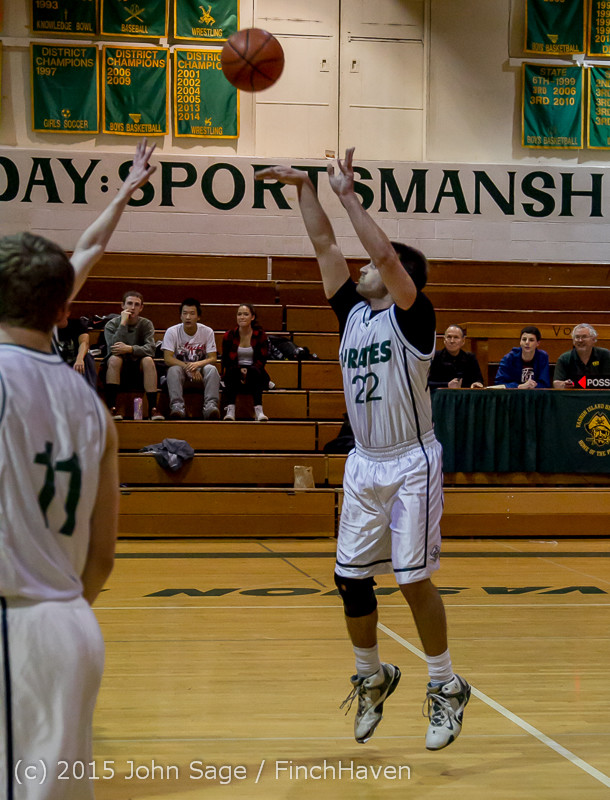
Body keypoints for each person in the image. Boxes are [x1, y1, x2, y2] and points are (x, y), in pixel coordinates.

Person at [256, 150, 470, 751]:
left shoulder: (415, 316)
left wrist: (350, 195)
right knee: (350, 579)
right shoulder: (353, 314)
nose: (366, 269)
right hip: (364, 461)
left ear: (403, 276)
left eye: (383, 264)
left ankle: (446, 684)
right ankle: (374, 676)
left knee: (412, 580)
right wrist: (305, 190)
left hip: (410, 459)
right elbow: (326, 247)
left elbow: (378, 254)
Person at [0, 234, 119, 800]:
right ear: (65, 310)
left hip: (12, 625)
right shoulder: (91, 404)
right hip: (71, 623)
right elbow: (102, 557)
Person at [103, 290, 164, 420]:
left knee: (148, 360)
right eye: (129, 303)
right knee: (114, 359)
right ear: (122, 305)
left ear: (141, 308)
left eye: (137, 304)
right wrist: (123, 324)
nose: (132, 307)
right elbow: (114, 348)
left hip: (138, 364)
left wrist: (130, 349)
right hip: (118, 365)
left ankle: (153, 409)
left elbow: (151, 350)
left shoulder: (146, 324)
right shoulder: (112, 324)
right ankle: (111, 408)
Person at [161, 297, 220, 419]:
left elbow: (213, 357)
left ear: (198, 317)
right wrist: (188, 367)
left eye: (192, 313)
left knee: (212, 369)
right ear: (180, 316)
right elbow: (168, 358)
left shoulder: (207, 331)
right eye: (185, 313)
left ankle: (210, 406)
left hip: (200, 372)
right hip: (181, 370)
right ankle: (177, 407)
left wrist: (197, 365)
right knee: (173, 370)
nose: (188, 317)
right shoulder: (172, 331)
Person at [221, 304, 270, 421]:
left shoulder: (260, 335)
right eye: (239, 314)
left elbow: (262, 359)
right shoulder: (229, 335)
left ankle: (259, 411)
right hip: (235, 371)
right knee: (232, 372)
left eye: (245, 314)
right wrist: (240, 369)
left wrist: (247, 370)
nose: (242, 317)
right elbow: (226, 360)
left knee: (254, 372)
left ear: (252, 317)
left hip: (255, 371)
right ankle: (231, 410)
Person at [553, 323, 610, 388]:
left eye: (584, 337)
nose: (580, 340)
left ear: (593, 339)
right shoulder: (564, 358)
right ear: (573, 341)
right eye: (577, 337)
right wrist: (564, 385)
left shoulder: (606, 355)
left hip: (600, 396)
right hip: (574, 396)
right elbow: (556, 383)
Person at [428, 324, 485, 390]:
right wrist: (447, 385)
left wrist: (477, 384)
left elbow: (479, 380)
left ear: (463, 341)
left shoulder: (470, 358)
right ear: (444, 340)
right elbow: (427, 383)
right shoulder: (435, 357)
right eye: (449, 337)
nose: (452, 341)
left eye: (456, 337)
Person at [55, 309, 98, 390]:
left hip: (76, 360)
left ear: (67, 313)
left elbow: (84, 342)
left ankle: (89, 394)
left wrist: (79, 359)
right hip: (57, 362)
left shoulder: (77, 324)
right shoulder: (48, 328)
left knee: (87, 358)